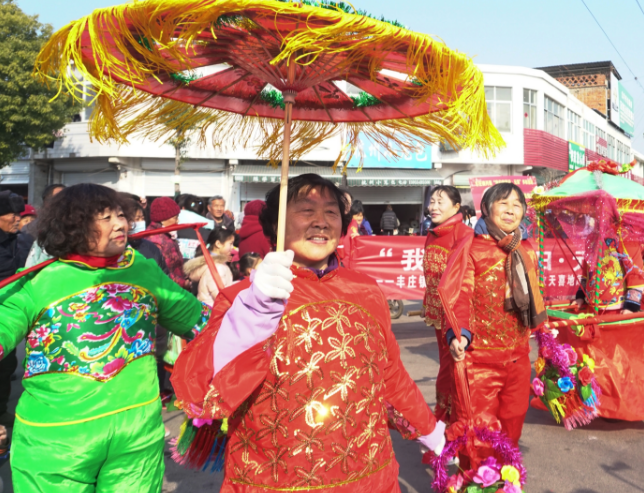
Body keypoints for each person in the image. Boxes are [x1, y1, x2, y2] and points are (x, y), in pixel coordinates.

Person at [172, 174, 444, 492]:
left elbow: (390, 377)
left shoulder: (366, 290)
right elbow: (201, 390)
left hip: (372, 478)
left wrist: (434, 435)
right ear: (275, 225)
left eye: (331, 212)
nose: (321, 222)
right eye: (306, 211)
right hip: (273, 481)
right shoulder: (242, 299)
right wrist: (253, 315)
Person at [0, 183, 209, 493]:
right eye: (105, 217)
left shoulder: (142, 270)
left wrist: (257, 307)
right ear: (73, 225)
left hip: (135, 438)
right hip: (58, 443)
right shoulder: (40, 281)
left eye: (121, 215)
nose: (120, 224)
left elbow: (200, 323)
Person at [446, 183, 546, 463]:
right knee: (479, 430)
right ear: (487, 209)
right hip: (480, 361)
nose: (511, 210)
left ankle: (504, 477)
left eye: (517, 205)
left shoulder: (527, 248)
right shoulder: (472, 249)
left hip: (518, 357)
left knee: (513, 422)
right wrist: (460, 335)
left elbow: (536, 295)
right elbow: (459, 294)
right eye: (503, 203)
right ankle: (477, 480)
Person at [422, 186, 471, 423]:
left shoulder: (464, 234)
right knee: (445, 365)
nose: (433, 207)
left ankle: (451, 420)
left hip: (455, 314)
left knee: (453, 368)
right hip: (437, 313)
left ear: (456, 206)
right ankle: (446, 418)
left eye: (440, 202)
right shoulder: (432, 233)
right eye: (432, 202)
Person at [0, 191, 34, 430]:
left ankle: (1, 410)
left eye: (18, 214)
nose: (17, 219)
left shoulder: (24, 242)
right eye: (12, 214)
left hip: (12, 313)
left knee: (8, 364)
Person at [184, 227, 236, 306]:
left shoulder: (214, 264)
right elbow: (219, 295)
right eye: (230, 243)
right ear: (218, 244)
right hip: (214, 311)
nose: (232, 247)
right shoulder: (217, 267)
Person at [146, 196, 190, 289]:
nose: (178, 221)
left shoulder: (166, 236)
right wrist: (183, 283)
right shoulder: (156, 240)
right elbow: (160, 271)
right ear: (163, 219)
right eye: (175, 217)